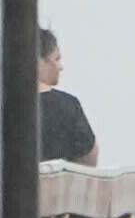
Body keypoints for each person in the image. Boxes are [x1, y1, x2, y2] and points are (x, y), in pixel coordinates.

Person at [38, 28, 97, 165]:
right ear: (39, 61)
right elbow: (88, 159)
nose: (60, 67)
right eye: (56, 58)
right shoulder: (67, 105)